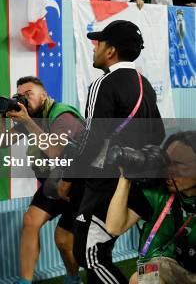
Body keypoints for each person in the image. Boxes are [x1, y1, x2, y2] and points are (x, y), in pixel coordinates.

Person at [60, 20, 165, 284]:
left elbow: (91, 140)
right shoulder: (145, 85)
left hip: (105, 186)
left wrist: (69, 178)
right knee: (94, 251)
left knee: (91, 255)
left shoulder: (102, 84)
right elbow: (159, 133)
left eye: (99, 43)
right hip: (134, 185)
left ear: (111, 51)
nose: (94, 48)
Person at [7, 77, 85, 284]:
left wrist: (26, 121)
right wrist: (2, 115)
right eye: (20, 95)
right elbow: (0, 142)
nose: (24, 98)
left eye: (29, 94)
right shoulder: (33, 117)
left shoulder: (63, 116)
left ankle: (73, 278)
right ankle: (24, 281)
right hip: (54, 181)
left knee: (63, 239)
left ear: (44, 95)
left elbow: (54, 151)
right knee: (30, 221)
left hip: (79, 183)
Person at [106, 131, 196, 284]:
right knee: (139, 278)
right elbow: (114, 227)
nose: (169, 171)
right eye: (167, 163)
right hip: (164, 265)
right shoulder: (157, 192)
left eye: (179, 164)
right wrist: (125, 178)